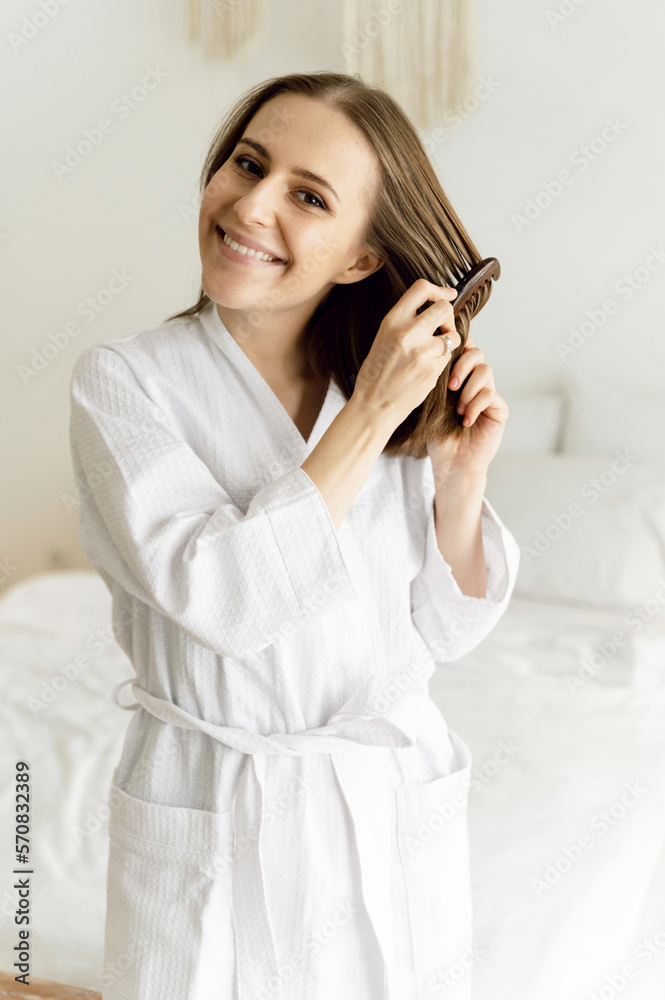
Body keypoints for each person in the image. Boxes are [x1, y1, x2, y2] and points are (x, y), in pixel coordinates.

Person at [69, 70, 520, 1000]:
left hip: (383, 804)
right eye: (247, 164)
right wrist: (372, 414)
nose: (250, 205)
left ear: (361, 258)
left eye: (308, 196)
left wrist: (459, 481)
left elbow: (447, 630)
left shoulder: (382, 379)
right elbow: (223, 600)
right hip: (212, 801)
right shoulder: (125, 384)